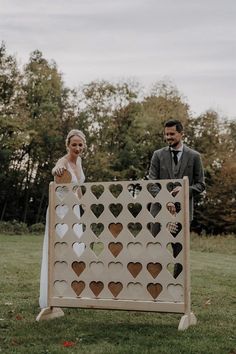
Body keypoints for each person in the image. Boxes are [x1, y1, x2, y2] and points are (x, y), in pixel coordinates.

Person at [148, 119, 205, 277]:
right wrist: (166, 200)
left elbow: (201, 184)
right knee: (155, 249)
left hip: (183, 212)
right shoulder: (157, 155)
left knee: (179, 253)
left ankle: (176, 287)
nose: (168, 137)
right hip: (159, 210)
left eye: (172, 134)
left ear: (181, 134)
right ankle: (155, 286)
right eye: (166, 134)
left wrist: (186, 189)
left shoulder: (194, 156)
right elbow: (152, 183)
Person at [39, 129, 86, 309]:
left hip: (75, 210)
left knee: (76, 249)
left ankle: (71, 291)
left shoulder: (80, 161)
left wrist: (84, 207)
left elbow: (79, 187)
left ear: (84, 146)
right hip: (60, 210)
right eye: (74, 144)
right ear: (68, 145)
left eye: (80, 144)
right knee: (61, 249)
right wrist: (57, 169)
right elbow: (56, 170)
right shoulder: (63, 161)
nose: (77, 148)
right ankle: (54, 293)